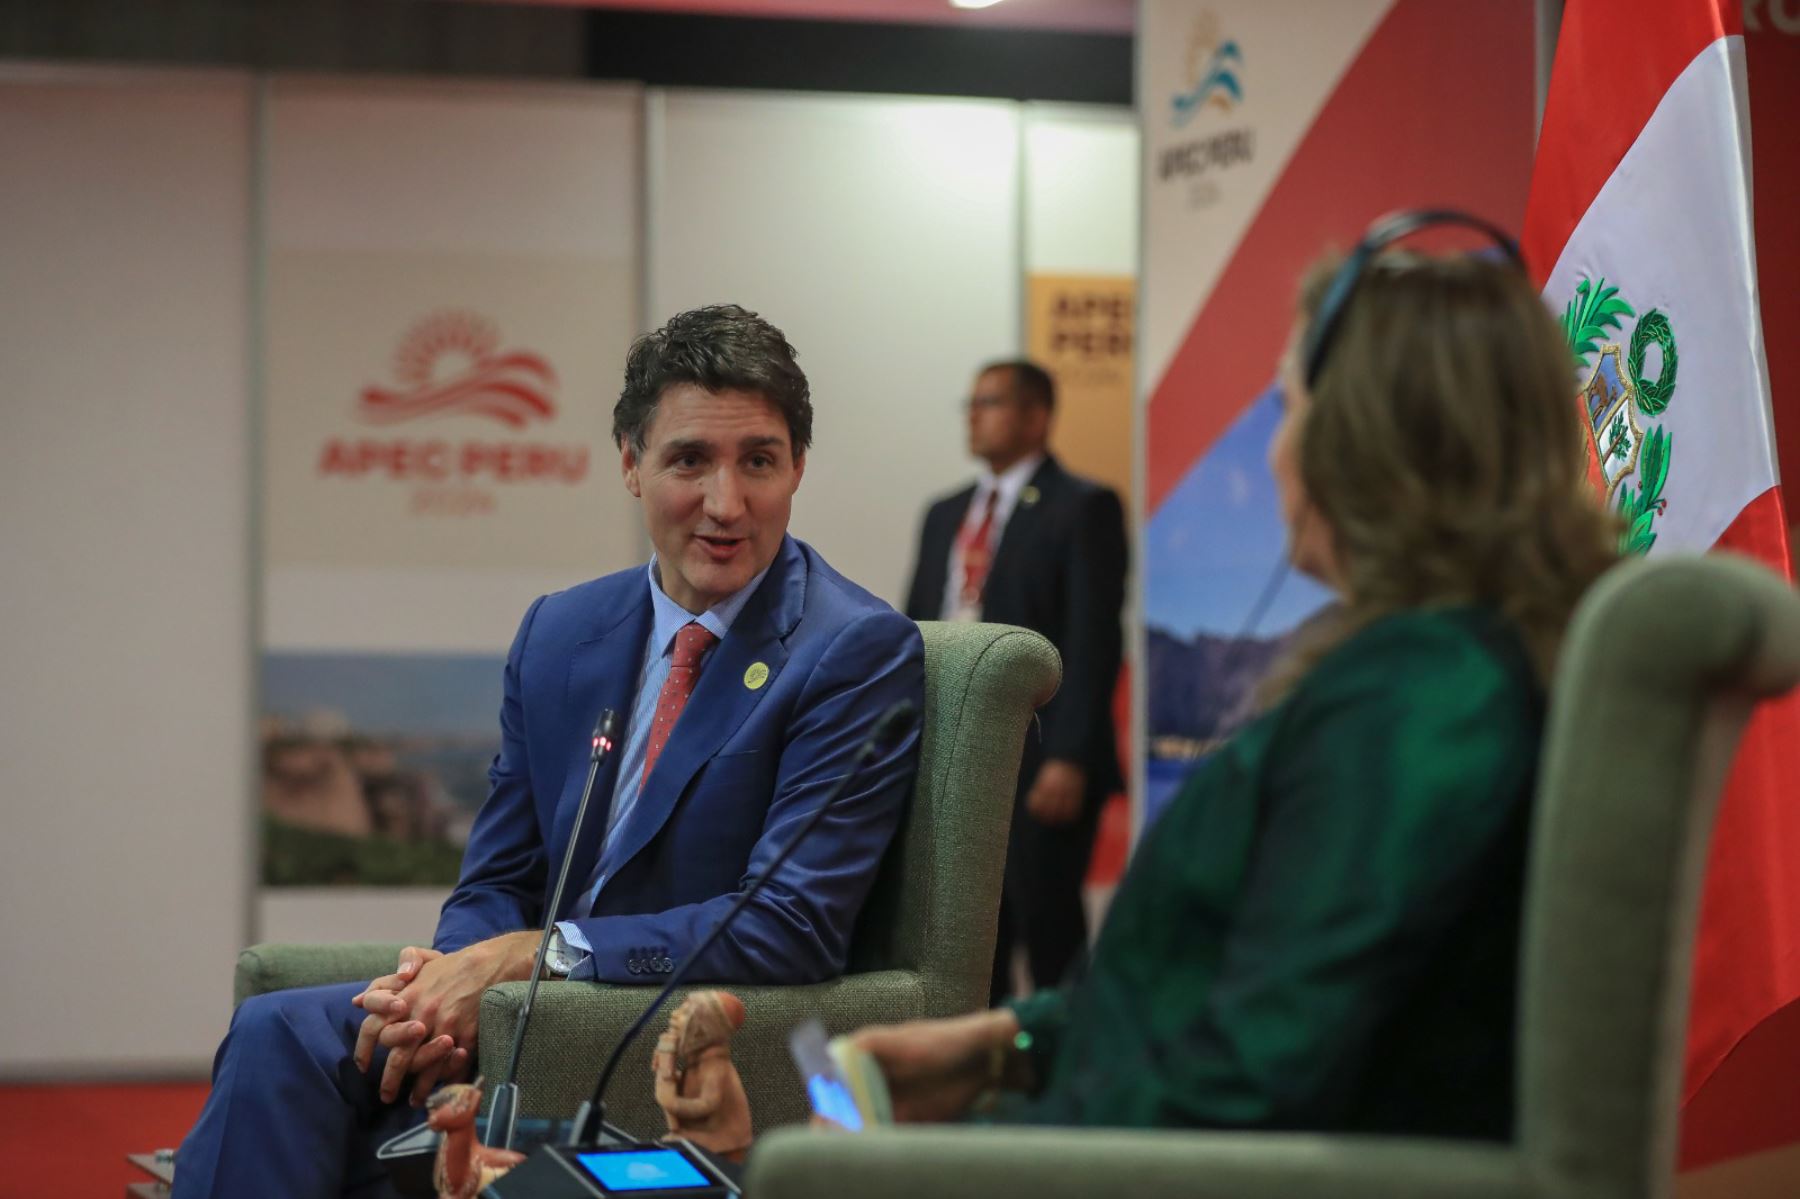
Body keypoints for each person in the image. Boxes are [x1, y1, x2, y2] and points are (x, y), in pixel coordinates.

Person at [844, 240, 1618, 1139]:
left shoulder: (1419, 708)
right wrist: (1008, 1045)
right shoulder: (1431, 677)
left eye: (1288, 407)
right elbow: (1225, 996)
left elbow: (1246, 1085)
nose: (1277, 449)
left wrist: (945, 1160)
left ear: (1360, 442)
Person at [173, 305, 926, 1198]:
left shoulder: (852, 649)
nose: (727, 503)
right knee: (275, 1035)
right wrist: (445, 998)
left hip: (650, 1029)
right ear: (629, 465)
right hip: (520, 1019)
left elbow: (785, 923)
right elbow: (499, 875)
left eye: (758, 460)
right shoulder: (563, 630)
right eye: (689, 459)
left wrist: (534, 959)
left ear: (797, 465)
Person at [904, 360, 1127, 1002]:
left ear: (1036, 416)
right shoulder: (944, 513)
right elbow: (916, 626)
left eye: (991, 402)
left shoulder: (1083, 507)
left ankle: (1066, 1081)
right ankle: (975, 1078)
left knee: (1049, 930)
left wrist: (1070, 757)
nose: (974, 415)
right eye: (970, 402)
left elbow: (1093, 642)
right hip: (951, 753)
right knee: (968, 938)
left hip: (1042, 759)